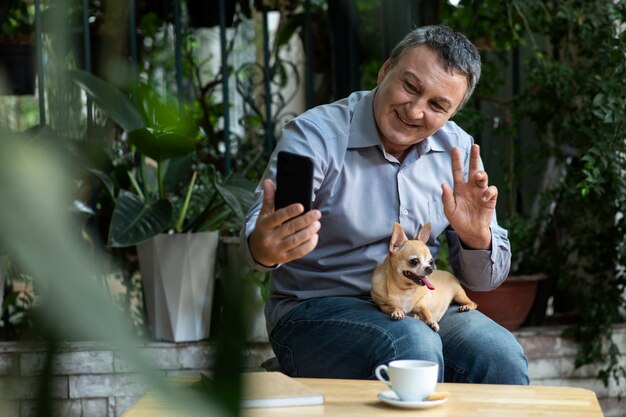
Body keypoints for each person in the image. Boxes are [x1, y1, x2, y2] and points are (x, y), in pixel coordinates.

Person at [240, 24, 529, 384]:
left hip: (415, 303)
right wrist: (266, 246)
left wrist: (475, 237)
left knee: (500, 356)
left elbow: (485, 280)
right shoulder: (315, 135)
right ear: (385, 69)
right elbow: (262, 238)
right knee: (413, 348)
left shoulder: (458, 154)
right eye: (410, 86)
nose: (416, 110)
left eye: (438, 105)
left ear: (452, 113)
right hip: (317, 309)